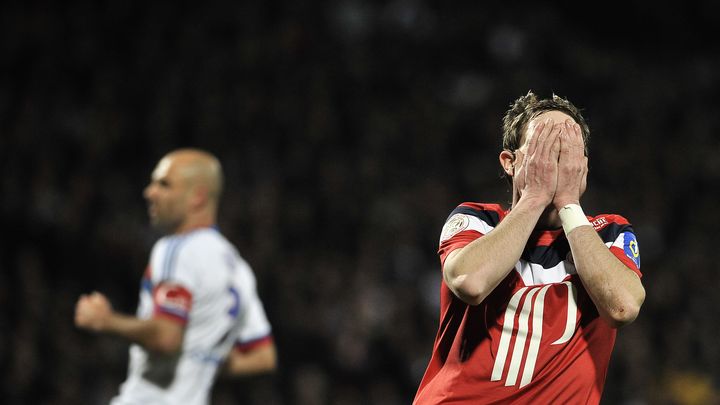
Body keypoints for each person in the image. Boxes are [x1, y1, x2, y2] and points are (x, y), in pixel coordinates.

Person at [413, 92, 645, 404]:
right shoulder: (478, 219)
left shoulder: (609, 232)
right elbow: (469, 281)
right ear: (510, 162)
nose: (556, 162)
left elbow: (623, 307)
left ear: (583, 168)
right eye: (543, 150)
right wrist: (535, 197)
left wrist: (568, 203)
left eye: (566, 152)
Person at [75, 148, 276, 405]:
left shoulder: (177, 249)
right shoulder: (239, 269)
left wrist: (107, 321)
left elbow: (167, 337)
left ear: (197, 197)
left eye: (164, 184)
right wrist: (202, 359)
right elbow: (263, 357)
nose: (150, 192)